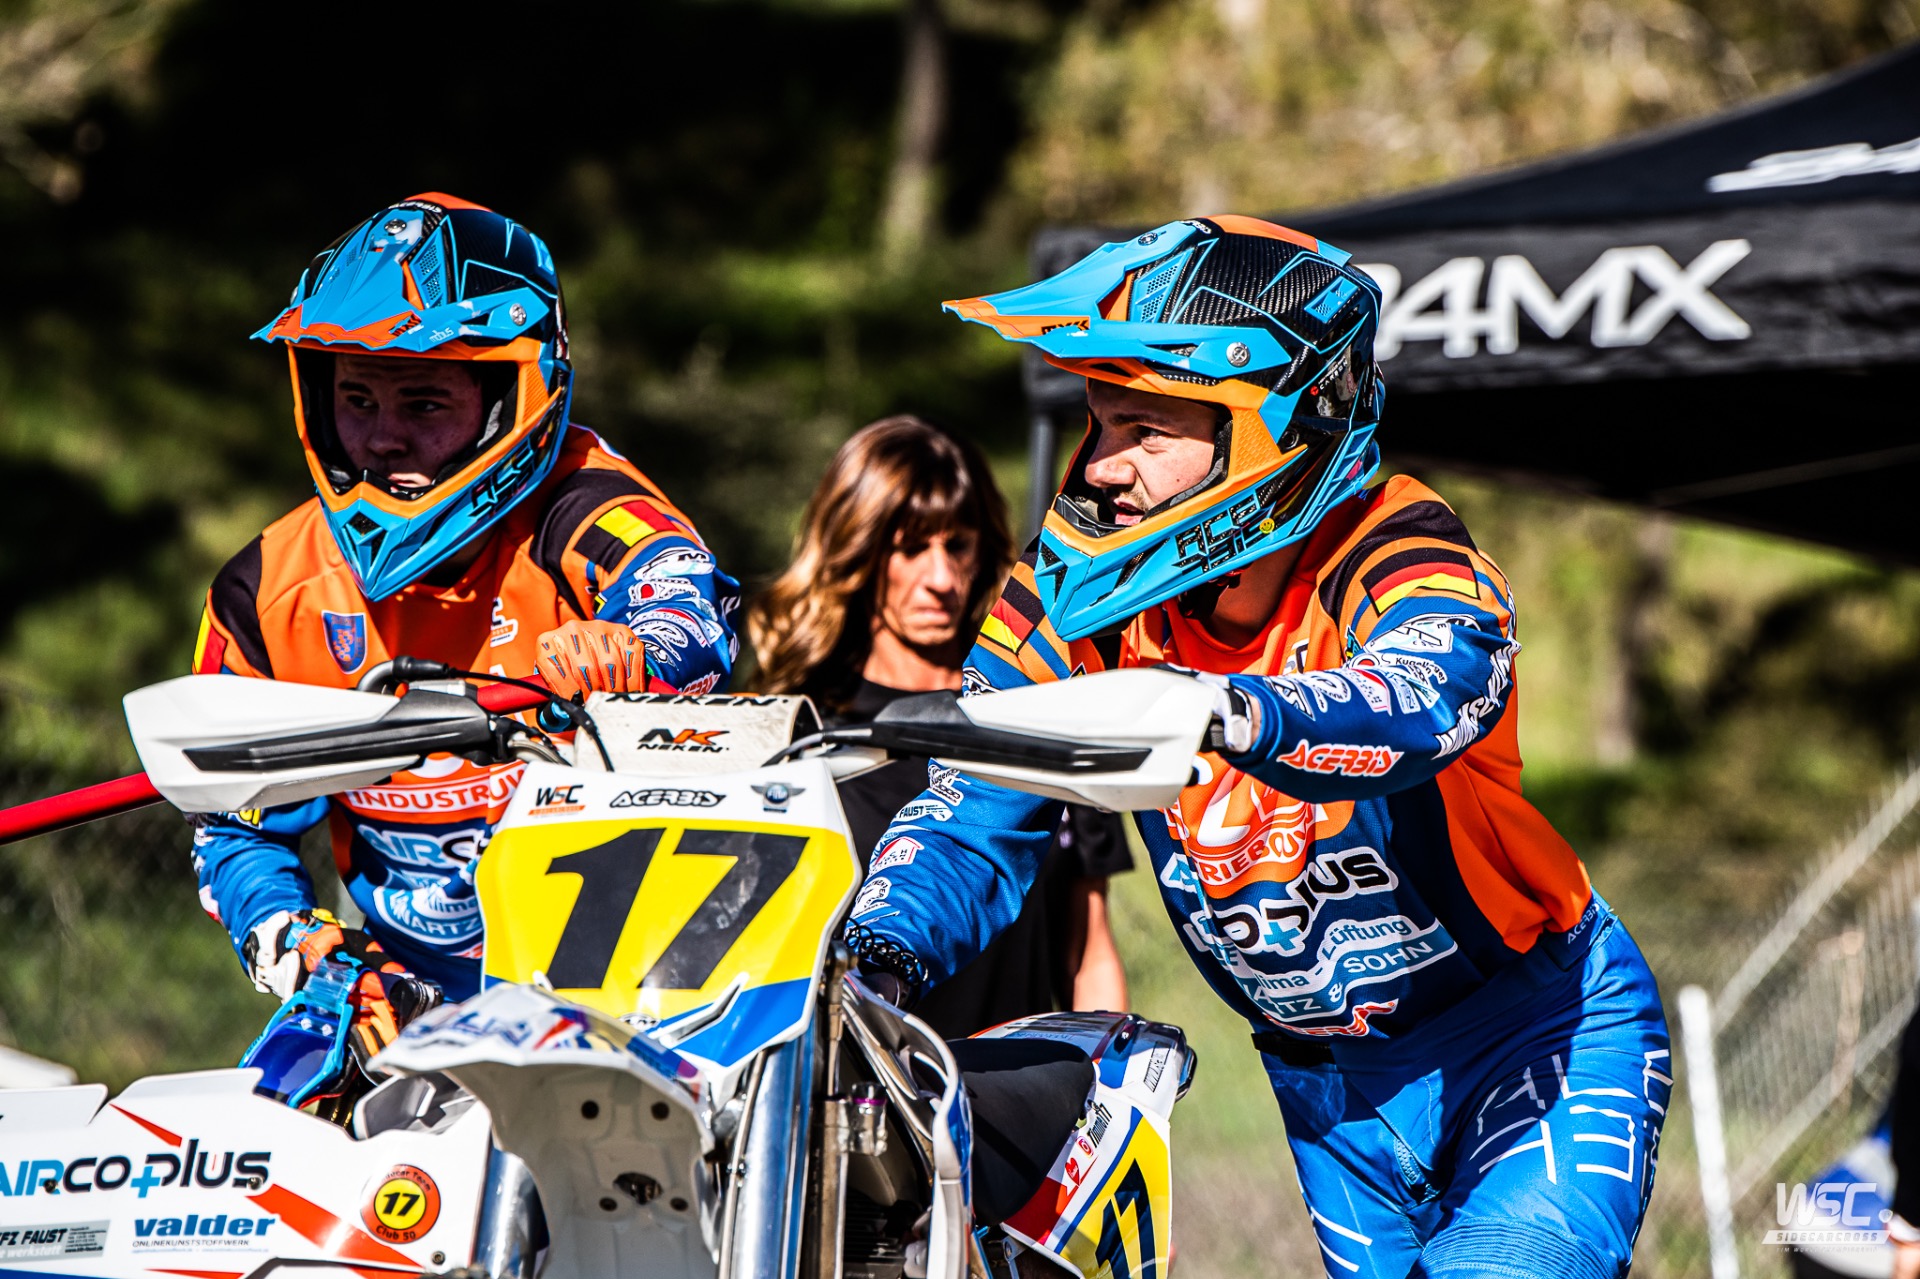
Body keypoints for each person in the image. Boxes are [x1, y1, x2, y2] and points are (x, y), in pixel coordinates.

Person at [844, 216, 1672, 1278]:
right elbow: (972, 804)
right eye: (1097, 422)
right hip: (1327, 1085)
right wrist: (871, 961)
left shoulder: (1393, 540)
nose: (1101, 468)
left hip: (1530, 1037)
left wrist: (1223, 708)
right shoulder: (1075, 589)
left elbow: (1426, 691)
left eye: (1144, 430)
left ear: (1269, 430)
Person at [190, 193, 739, 1068]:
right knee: (278, 1089)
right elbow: (235, 825)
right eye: (356, 398)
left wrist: (638, 651)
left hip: (637, 986)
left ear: (506, 400)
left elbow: (683, 598)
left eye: (423, 403)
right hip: (409, 992)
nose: (382, 439)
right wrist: (294, 937)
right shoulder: (266, 592)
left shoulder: (582, 505)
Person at [750, 415, 1131, 1037]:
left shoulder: (1042, 705)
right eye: (910, 549)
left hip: (1020, 1084)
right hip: (867, 1083)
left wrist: (1110, 1073)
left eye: (958, 546)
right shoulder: (799, 739)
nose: (941, 579)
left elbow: (1089, 952)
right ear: (858, 551)